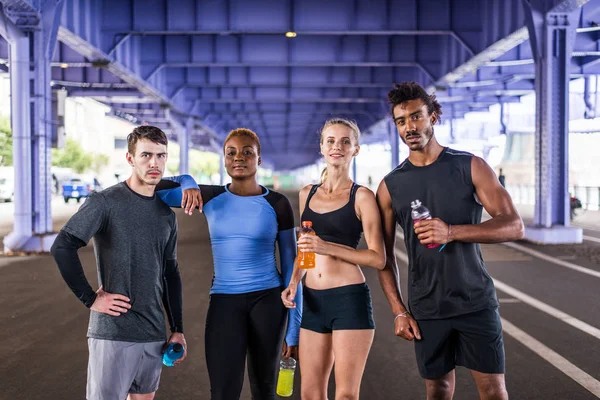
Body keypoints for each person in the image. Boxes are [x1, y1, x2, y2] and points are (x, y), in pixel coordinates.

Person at [376, 82, 524, 400]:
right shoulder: (390, 186)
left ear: (434, 117)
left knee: (493, 390)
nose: (409, 127)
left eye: (416, 117)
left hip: (475, 301)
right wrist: (399, 310)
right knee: (438, 389)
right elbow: (383, 257)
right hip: (426, 307)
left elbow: (514, 226)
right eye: (401, 121)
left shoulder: (470, 166)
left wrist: (453, 232)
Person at [51, 126, 198, 400]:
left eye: (161, 156)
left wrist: (177, 329)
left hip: (153, 332)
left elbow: (170, 273)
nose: (154, 163)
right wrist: (89, 299)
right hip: (114, 331)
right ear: (130, 159)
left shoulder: (166, 215)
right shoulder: (105, 202)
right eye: (146, 155)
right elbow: (62, 246)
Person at [156, 128, 302, 400]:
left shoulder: (277, 204)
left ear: (259, 159)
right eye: (231, 152)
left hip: (268, 301)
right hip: (225, 301)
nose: (239, 157)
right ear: (223, 159)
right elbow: (152, 186)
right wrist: (186, 180)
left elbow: (292, 265)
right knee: (223, 392)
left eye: (247, 152)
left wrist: (293, 332)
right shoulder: (208, 196)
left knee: (265, 390)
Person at [281, 118, 386, 400]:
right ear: (322, 148)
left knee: (346, 395)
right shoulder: (307, 194)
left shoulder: (362, 197)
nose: (337, 146)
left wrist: (326, 247)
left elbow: (378, 258)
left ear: (356, 149)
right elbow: (306, 248)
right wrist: (293, 282)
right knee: (310, 394)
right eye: (330, 141)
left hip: (347, 299)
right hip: (312, 301)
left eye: (345, 141)